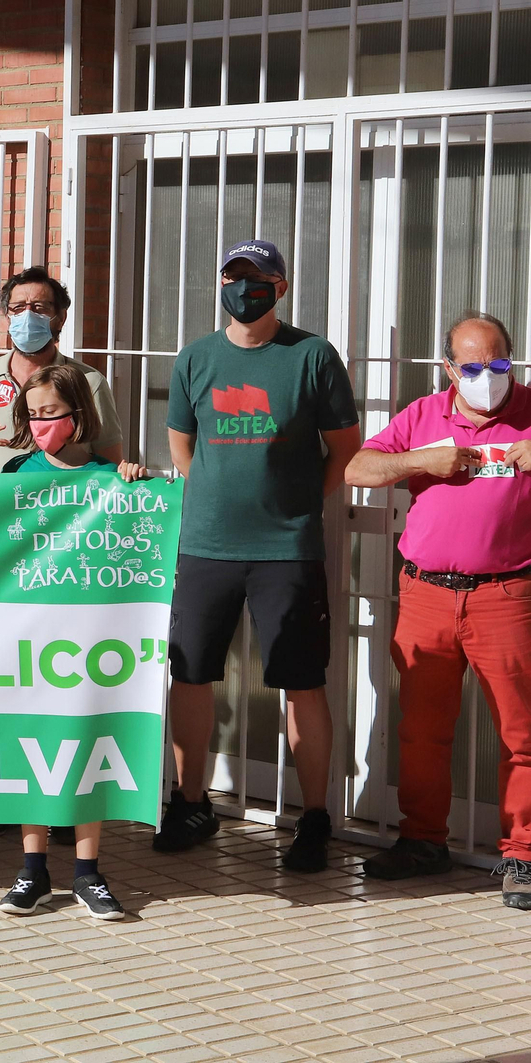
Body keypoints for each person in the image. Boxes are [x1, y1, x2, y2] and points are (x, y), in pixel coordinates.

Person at [156, 238, 362, 872]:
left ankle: (315, 817)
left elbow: (344, 452)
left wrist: (295, 507)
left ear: (280, 287)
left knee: (301, 682)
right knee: (190, 675)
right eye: (233, 276)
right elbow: (182, 451)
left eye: (258, 278)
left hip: (286, 552)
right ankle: (191, 803)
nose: (244, 288)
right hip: (205, 547)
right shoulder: (195, 358)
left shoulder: (313, 356)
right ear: (219, 283)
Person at [347, 313, 531, 907]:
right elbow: (356, 468)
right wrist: (420, 461)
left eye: (498, 363)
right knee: (422, 732)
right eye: (473, 367)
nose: (488, 377)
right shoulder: (425, 415)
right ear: (449, 368)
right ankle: (424, 840)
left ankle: (523, 857)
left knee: (522, 733)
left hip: (507, 595)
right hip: (426, 594)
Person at [0, 363, 152, 921]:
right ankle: (31, 870)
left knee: (88, 740)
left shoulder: (112, 478)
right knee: (31, 743)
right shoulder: (15, 472)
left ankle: (88, 871)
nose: (40, 425)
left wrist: (134, 482)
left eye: (51, 414)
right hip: (28, 634)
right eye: (31, 415)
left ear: (79, 416)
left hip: (87, 639)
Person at [0, 266, 125, 475]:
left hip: (65, 505)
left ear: (60, 318)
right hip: (4, 505)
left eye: (40, 307)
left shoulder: (89, 381)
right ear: (6, 318)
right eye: (18, 308)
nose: (28, 315)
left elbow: (110, 464)